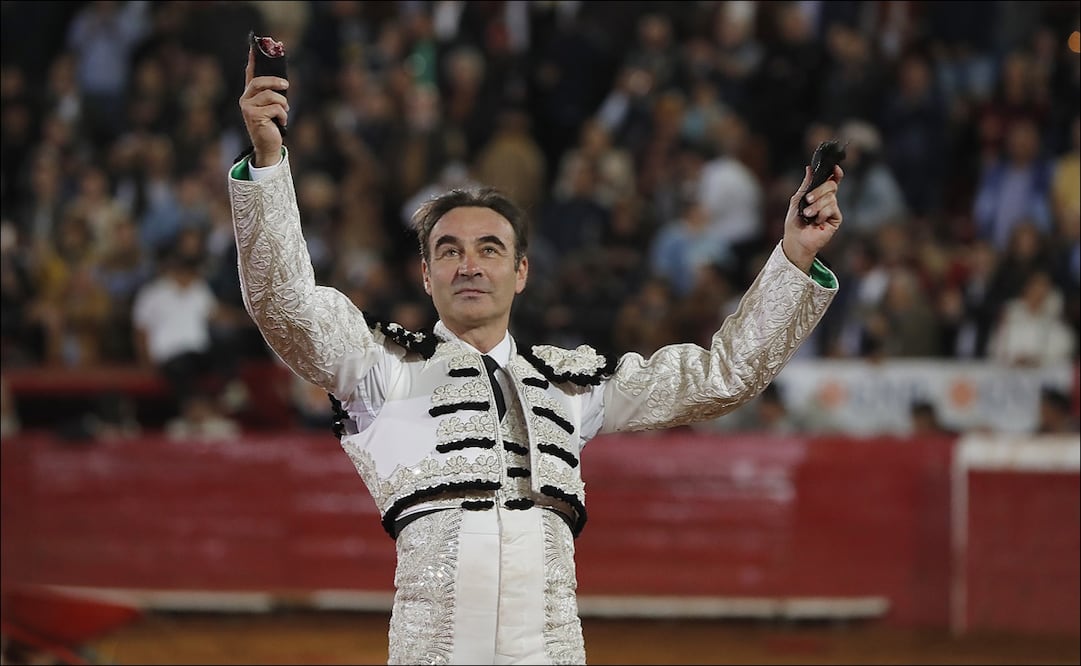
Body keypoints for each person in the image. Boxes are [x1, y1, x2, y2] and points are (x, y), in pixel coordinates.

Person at [229, 47, 844, 665]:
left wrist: (792, 259)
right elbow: (284, 303)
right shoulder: (381, 370)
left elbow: (722, 377)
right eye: (448, 251)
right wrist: (268, 162)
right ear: (425, 275)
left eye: (489, 249)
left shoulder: (571, 385)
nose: (469, 265)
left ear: (521, 272)